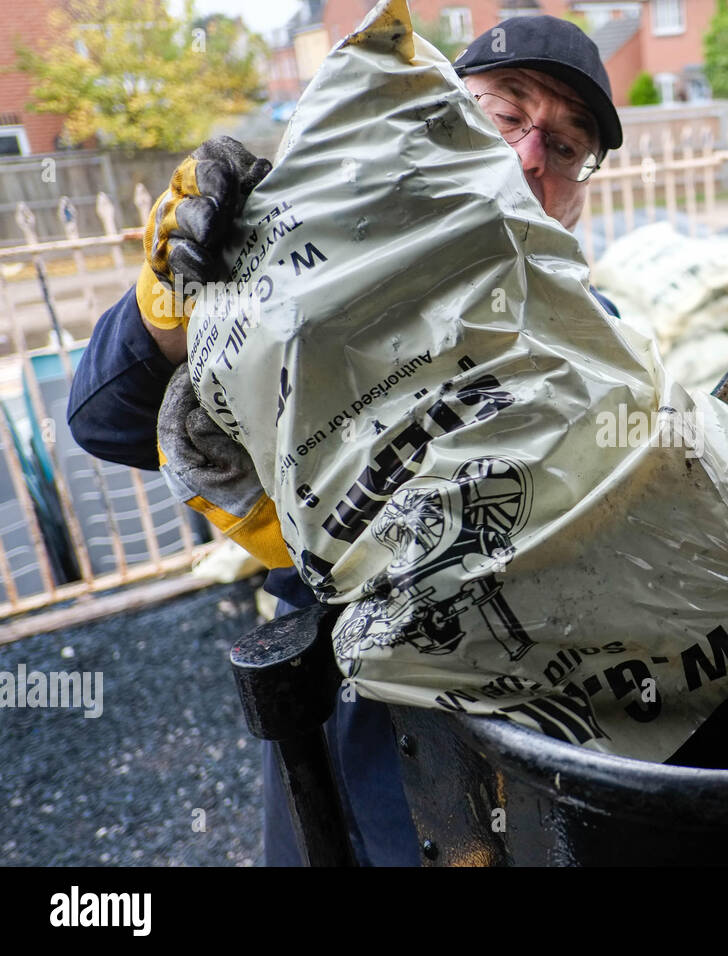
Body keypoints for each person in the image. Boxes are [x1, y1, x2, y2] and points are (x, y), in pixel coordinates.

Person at [67, 15, 624, 866]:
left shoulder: (590, 337)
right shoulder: (308, 281)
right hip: (341, 723)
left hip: (517, 724)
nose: (530, 158)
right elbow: (104, 420)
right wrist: (173, 299)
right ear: (433, 114)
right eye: (504, 115)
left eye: (568, 145)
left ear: (582, 184)